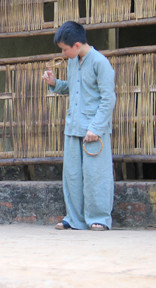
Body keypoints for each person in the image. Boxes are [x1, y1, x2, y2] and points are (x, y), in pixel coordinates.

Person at [41, 21, 116, 231]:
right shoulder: (73, 62)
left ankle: (99, 218)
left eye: (64, 49)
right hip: (73, 126)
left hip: (94, 130)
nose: (63, 54)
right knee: (72, 176)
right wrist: (55, 83)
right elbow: (73, 88)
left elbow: (108, 99)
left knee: (96, 176)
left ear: (76, 45)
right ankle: (74, 218)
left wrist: (96, 127)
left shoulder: (100, 63)